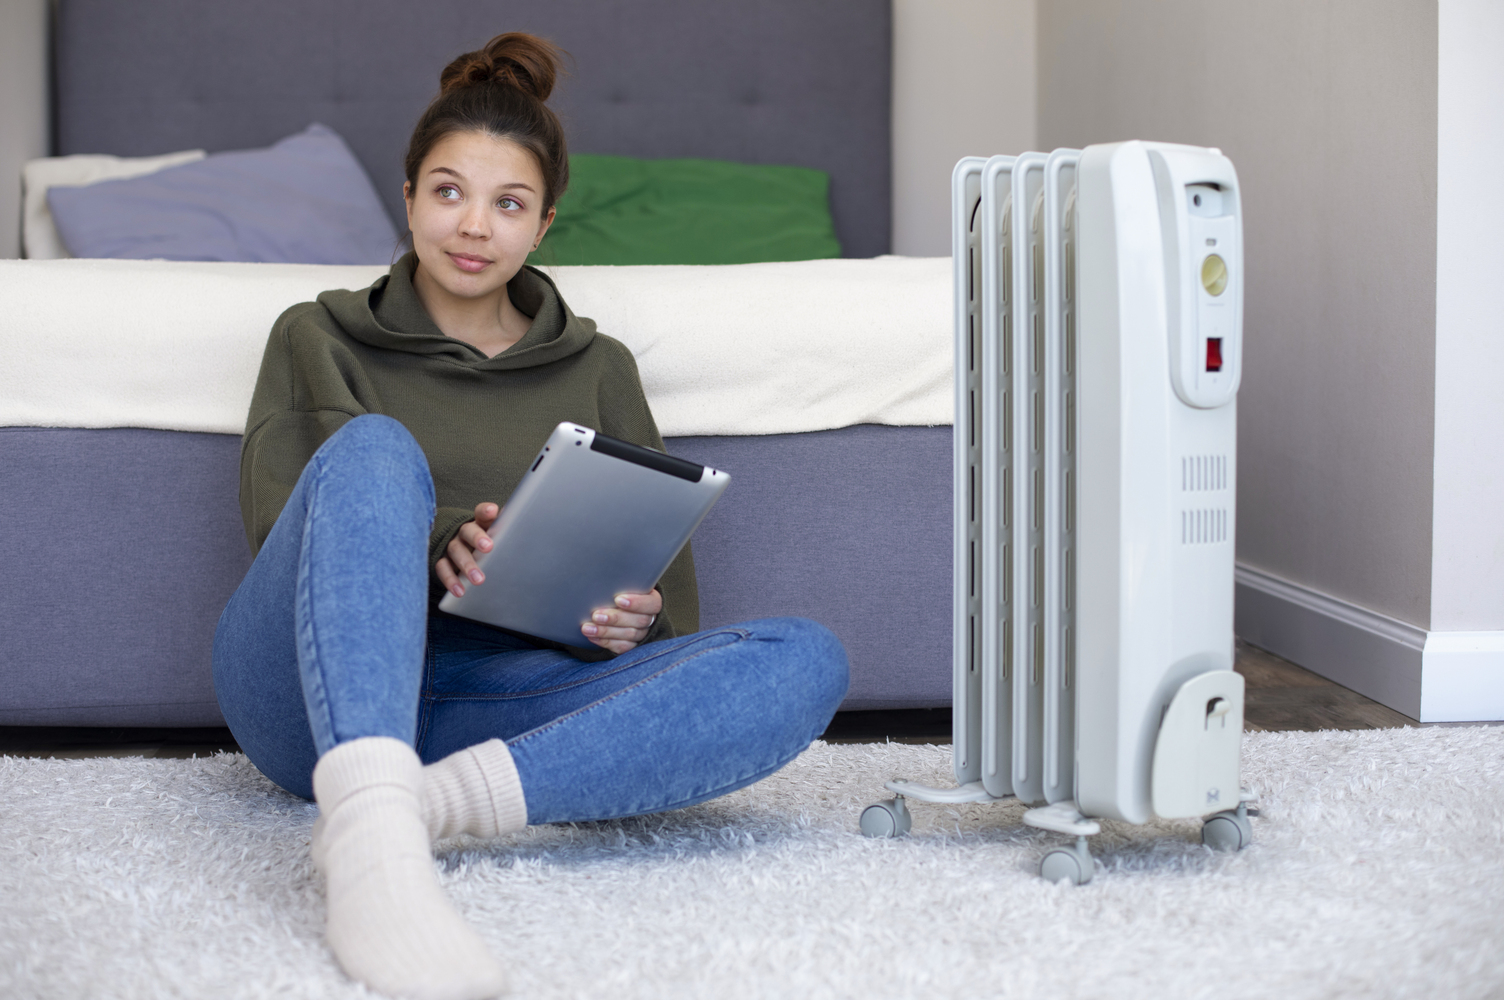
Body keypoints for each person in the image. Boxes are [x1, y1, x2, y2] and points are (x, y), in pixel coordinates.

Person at [211, 31, 850, 1000]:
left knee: (806, 658)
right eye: (448, 191)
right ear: (409, 196)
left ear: (544, 223)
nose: (473, 227)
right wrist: (441, 542)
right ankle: (378, 853)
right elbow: (286, 528)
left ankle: (403, 812)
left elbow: (660, 582)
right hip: (303, 695)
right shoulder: (317, 332)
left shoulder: (602, 368)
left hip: (496, 699)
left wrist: (630, 619)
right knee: (377, 451)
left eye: (507, 203)